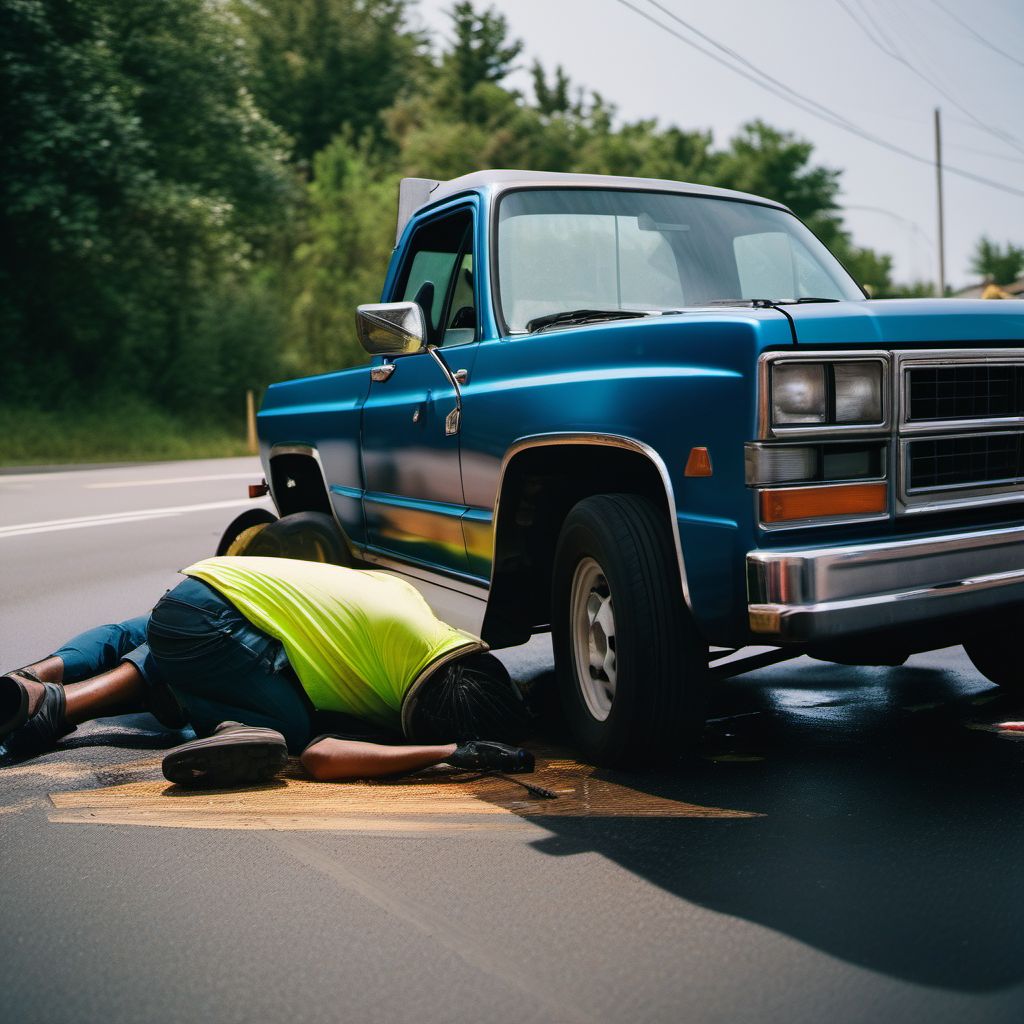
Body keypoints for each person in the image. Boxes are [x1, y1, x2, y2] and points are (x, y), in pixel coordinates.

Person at [0, 555, 534, 787]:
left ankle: (31, 680)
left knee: (141, 634)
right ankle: (59, 707)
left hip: (206, 586)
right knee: (295, 730)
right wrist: (450, 752)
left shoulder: (419, 614)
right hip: (206, 629)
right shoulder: (397, 696)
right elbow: (324, 758)